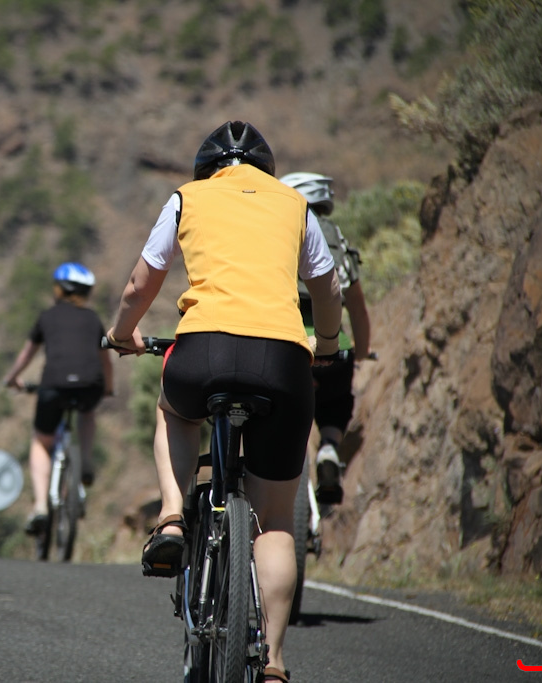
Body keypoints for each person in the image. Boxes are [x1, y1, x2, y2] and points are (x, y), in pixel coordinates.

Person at [105, 121, 342, 683]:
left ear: (206, 168)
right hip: (284, 361)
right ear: (265, 168)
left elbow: (141, 283)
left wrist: (122, 334)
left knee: (174, 409)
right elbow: (327, 287)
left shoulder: (187, 198)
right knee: (276, 522)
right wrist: (328, 347)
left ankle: (170, 519)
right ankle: (275, 663)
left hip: (203, 351)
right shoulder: (293, 204)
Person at [279, 172, 372, 505]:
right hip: (333, 346)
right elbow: (357, 307)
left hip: (286, 342)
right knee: (335, 403)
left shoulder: (278, 231)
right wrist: (361, 352)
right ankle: (329, 449)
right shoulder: (335, 238)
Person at [2, 262, 114, 534]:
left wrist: (12, 378)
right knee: (87, 412)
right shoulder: (92, 319)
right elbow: (105, 360)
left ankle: (41, 505)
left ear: (59, 289)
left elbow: (27, 355)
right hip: (90, 385)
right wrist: (108, 388)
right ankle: (84, 460)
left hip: (54, 385)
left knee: (42, 440)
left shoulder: (47, 317)